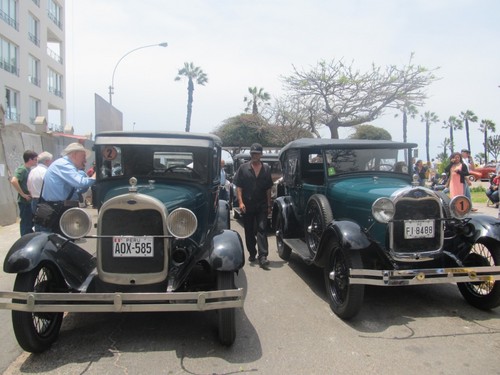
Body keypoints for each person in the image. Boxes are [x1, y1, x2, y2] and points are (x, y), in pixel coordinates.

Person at [41, 143, 96, 233]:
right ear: (74, 154)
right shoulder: (64, 165)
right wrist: (94, 177)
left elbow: (76, 189)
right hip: (59, 209)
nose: (85, 160)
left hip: (61, 207)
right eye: (83, 156)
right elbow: (80, 183)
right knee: (61, 238)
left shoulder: (64, 165)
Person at [233, 143, 273, 268]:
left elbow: (268, 189)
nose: (255, 155)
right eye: (253, 153)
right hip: (248, 204)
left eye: (257, 153)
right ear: (251, 154)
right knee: (249, 230)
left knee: (262, 229)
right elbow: (239, 187)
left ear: (261, 155)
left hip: (261, 204)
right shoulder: (243, 168)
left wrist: (269, 204)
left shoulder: (266, 169)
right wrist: (240, 202)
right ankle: (252, 252)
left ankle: (263, 256)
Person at [10, 150, 38, 236]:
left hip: (29, 201)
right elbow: (14, 181)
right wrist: (23, 194)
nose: (36, 161)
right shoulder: (22, 169)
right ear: (30, 159)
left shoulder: (28, 169)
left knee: (30, 223)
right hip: (25, 202)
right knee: (26, 223)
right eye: (35, 159)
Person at [27, 151, 53, 231]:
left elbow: (29, 188)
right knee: (46, 227)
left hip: (34, 201)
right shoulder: (46, 172)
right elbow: (50, 187)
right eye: (51, 161)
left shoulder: (32, 171)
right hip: (44, 202)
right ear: (47, 161)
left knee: (38, 226)